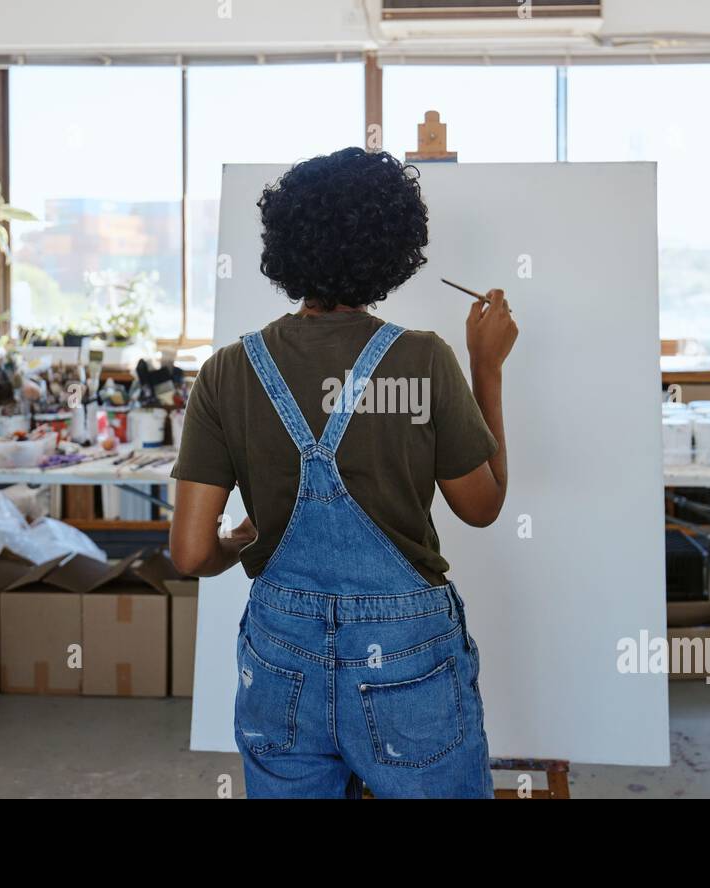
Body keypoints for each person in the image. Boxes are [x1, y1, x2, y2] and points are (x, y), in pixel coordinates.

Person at [169, 147, 518, 799]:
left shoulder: (226, 371)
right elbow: (483, 504)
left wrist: (239, 544)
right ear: (393, 252)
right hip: (406, 649)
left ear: (286, 245)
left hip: (281, 653)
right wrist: (487, 368)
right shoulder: (423, 360)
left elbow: (189, 554)